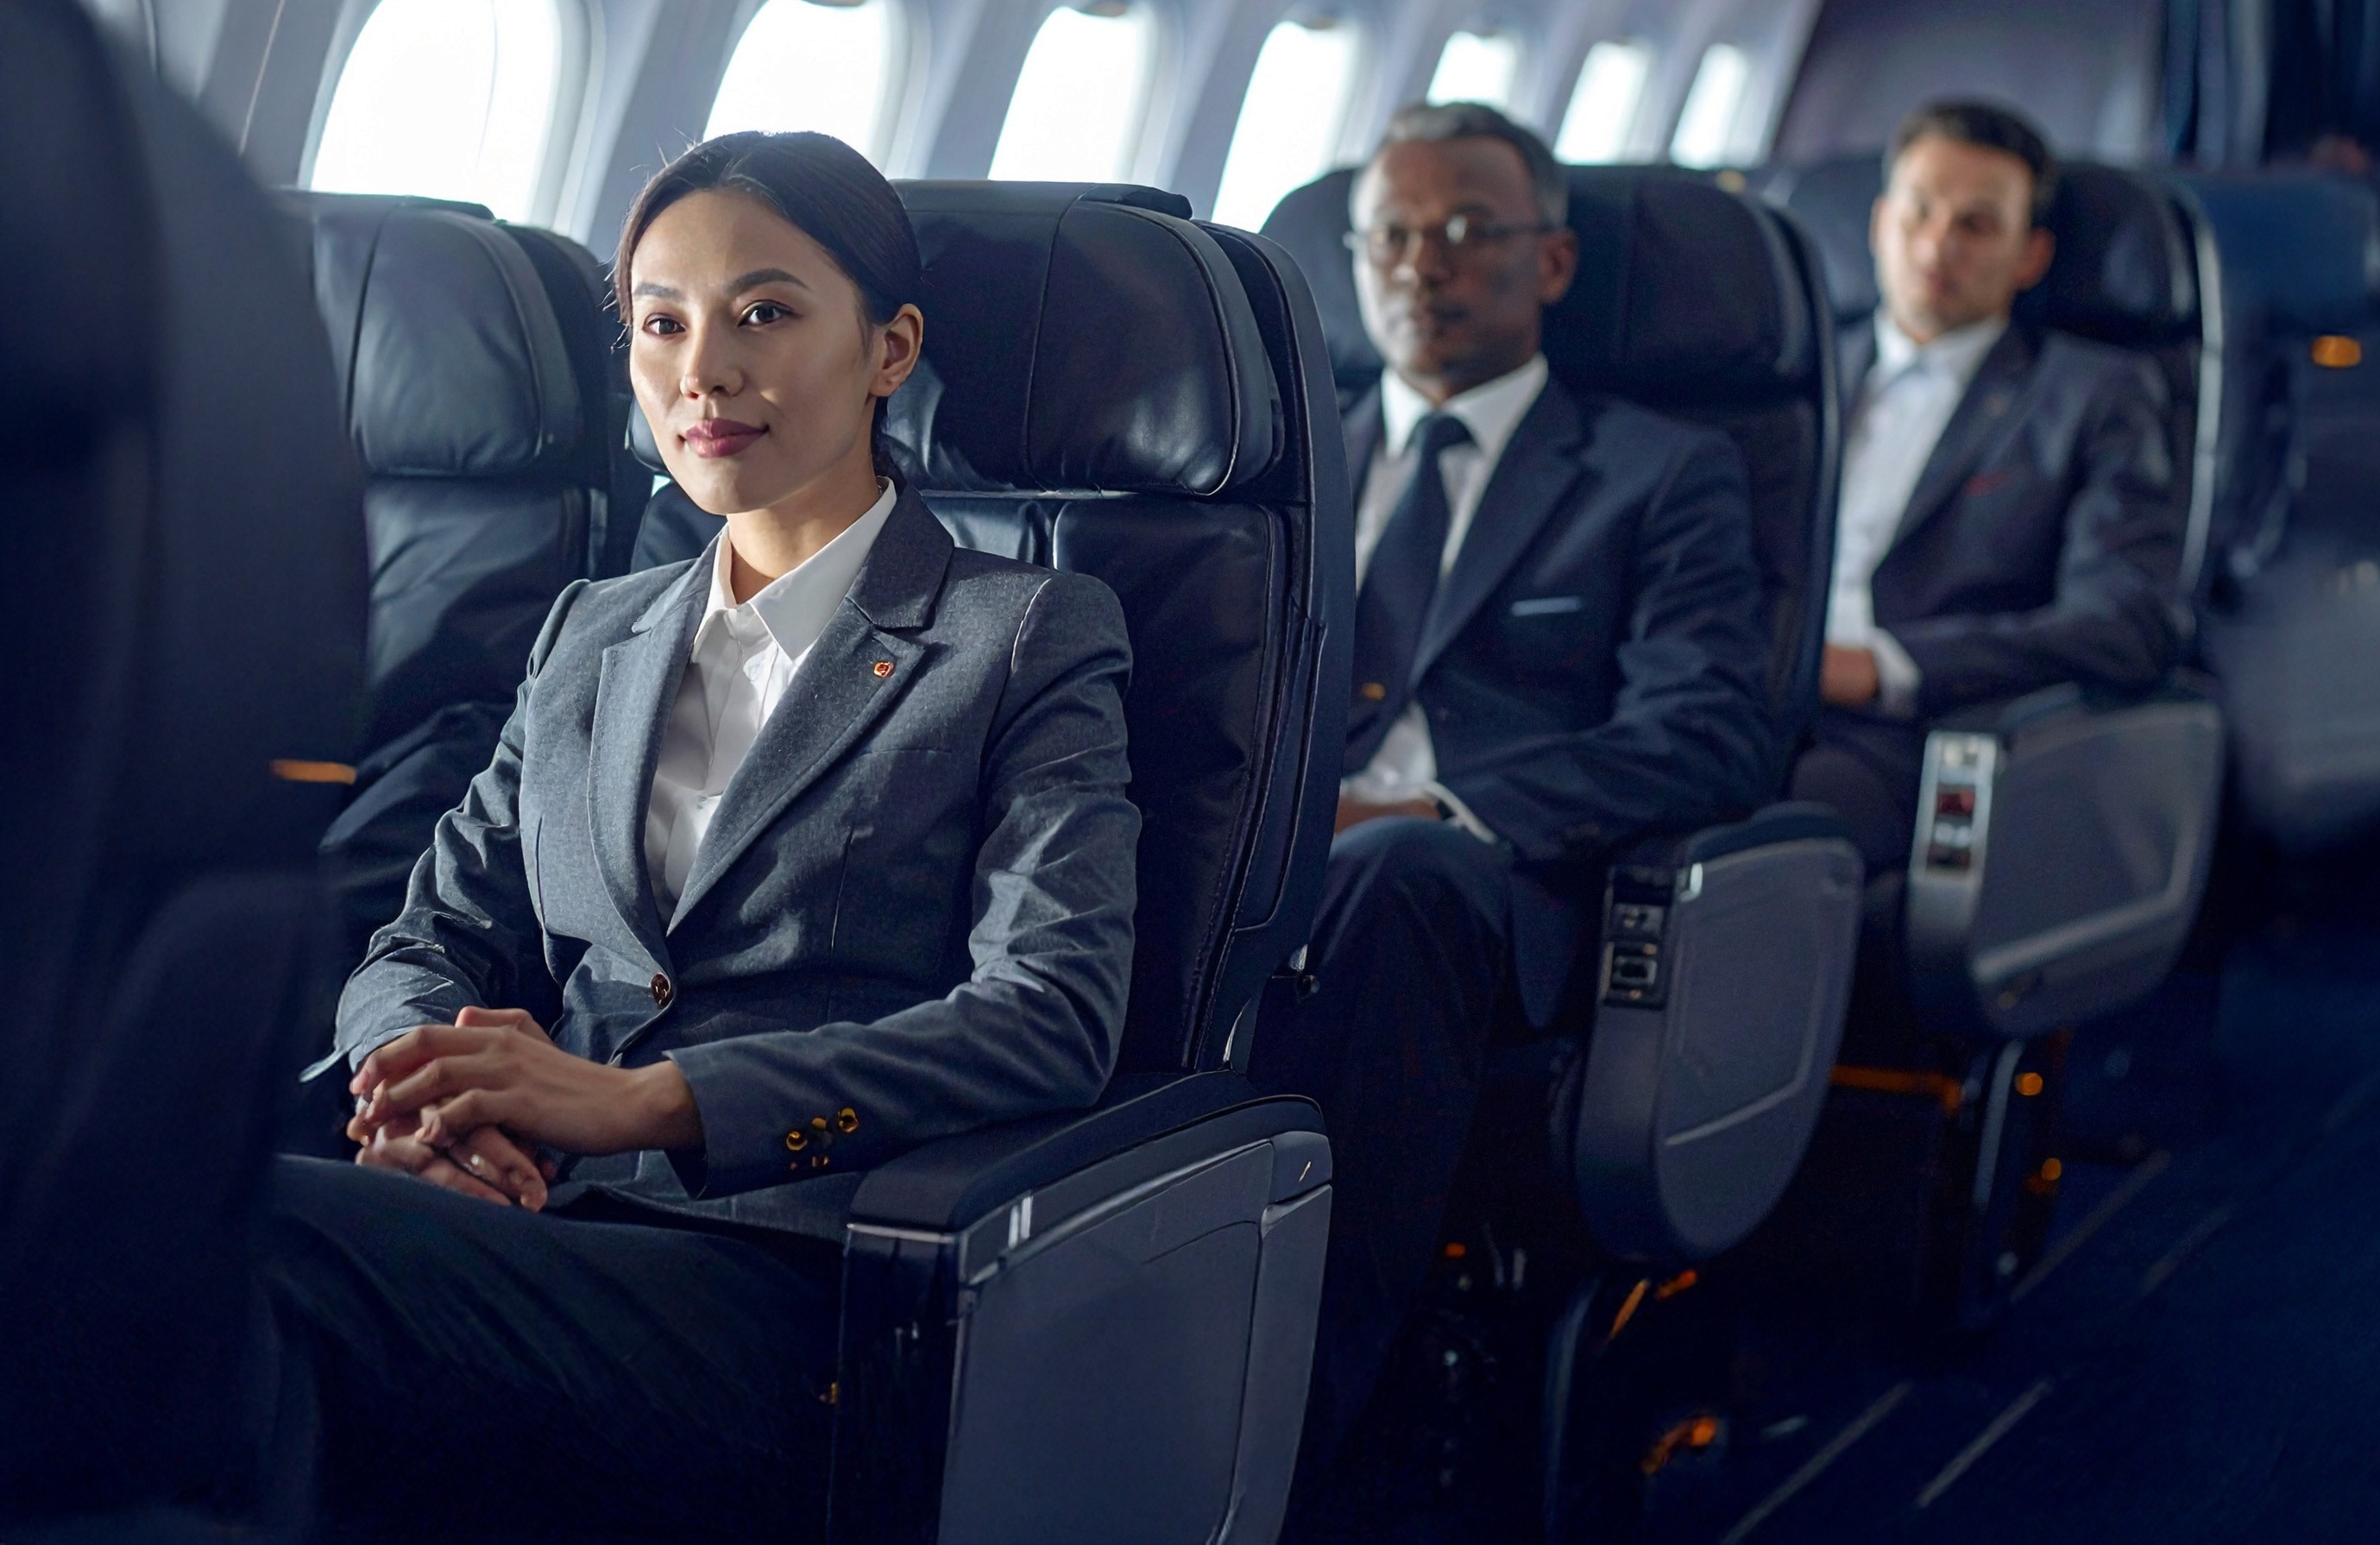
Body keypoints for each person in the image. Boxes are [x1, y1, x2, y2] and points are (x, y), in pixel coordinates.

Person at [262, 131, 1140, 1540]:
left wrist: (645, 1106)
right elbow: (430, 935)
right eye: (662, 322)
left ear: (889, 348)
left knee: (247, 1242)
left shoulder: (1020, 634)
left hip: (787, 1277)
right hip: (525, 1219)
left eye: (767, 314)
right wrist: (417, 1086)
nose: (703, 371)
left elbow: (1050, 1016)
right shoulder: (592, 630)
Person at [1255, 101, 1772, 1475]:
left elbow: (1708, 729)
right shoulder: (1282, 471)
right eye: (1391, 235)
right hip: (1265, 858)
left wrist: (1431, 814)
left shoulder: (1662, 470)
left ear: (1550, 263)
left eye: (1468, 230)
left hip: (1490, 888)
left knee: (1397, 876)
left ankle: (1293, 1430)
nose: (1422, 264)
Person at [1789, 99, 2184, 877]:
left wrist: (1886, 665)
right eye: (1919, 213)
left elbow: (2125, 623)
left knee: (1769, 818)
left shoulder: (2092, 394)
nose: (1937, 246)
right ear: (1877, 224)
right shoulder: (1797, 377)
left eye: (1976, 225)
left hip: (1912, 735)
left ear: (2030, 255)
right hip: (1746, 697)